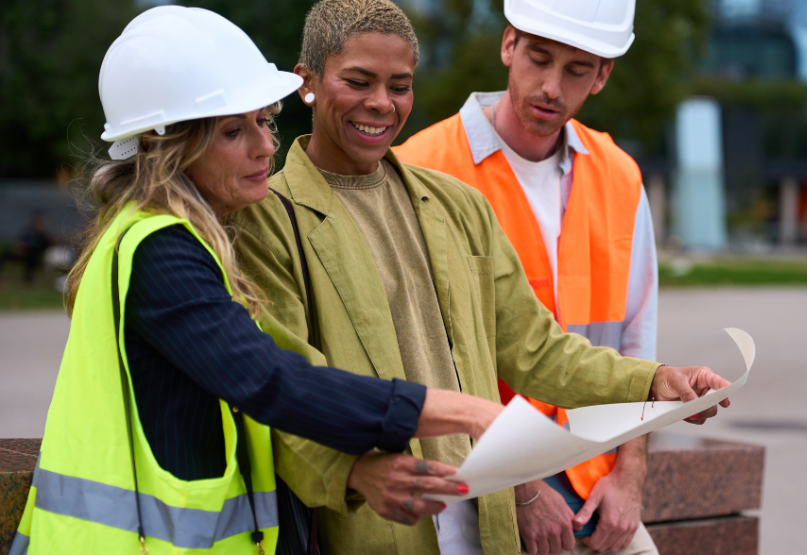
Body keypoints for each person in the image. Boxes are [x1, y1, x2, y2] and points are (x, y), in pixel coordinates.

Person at [228, 2, 732, 555]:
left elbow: (536, 351)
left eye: (400, 85)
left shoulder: (457, 205)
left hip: (485, 523)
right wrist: (354, 473)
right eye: (358, 81)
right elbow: (284, 392)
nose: (380, 103)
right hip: (378, 525)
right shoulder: (269, 218)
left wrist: (652, 381)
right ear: (308, 82)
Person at [11, 7, 503, 555]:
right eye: (232, 130)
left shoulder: (171, 237)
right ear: (169, 146)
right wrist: (464, 411)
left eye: (265, 120)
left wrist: (354, 471)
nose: (265, 145)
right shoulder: (160, 251)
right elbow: (270, 381)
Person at [395, 1, 659, 553]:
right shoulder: (421, 169)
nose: (551, 88)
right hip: (473, 479)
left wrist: (629, 476)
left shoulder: (620, 177)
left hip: (594, 481)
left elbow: (637, 345)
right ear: (509, 45)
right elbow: (418, 359)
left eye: (577, 70)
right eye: (539, 59)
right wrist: (521, 489)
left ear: (603, 75)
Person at [0, 211, 53, 284]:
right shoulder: (28, 231)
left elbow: (46, 246)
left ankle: (28, 279)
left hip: (33, 255)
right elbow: (20, 242)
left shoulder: (43, 235)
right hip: (23, 253)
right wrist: (20, 249)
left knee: (32, 256)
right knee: (4, 255)